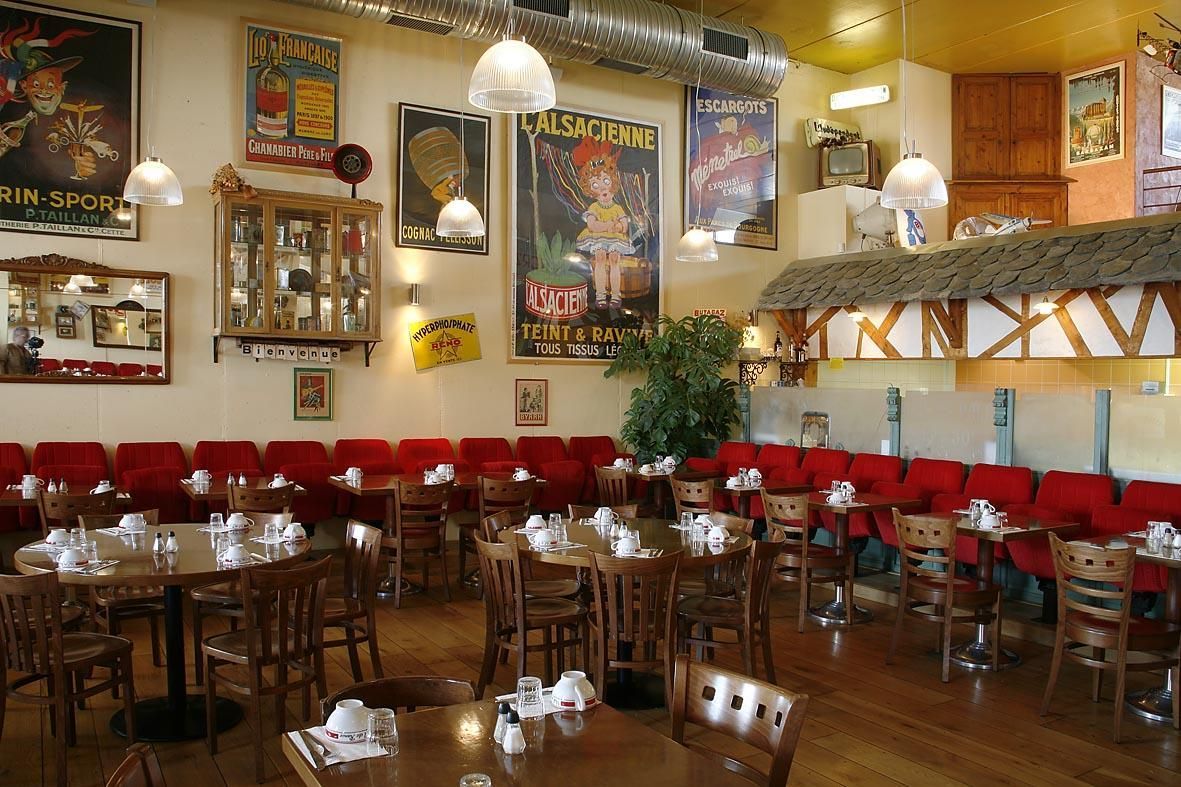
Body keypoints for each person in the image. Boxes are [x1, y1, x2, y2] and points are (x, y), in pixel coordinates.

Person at [572, 136, 633, 310]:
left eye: (605, 181)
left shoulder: (617, 208)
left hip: (614, 239)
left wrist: (619, 227)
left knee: (614, 259)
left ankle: (615, 295)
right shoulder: (594, 206)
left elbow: (624, 225)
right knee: (600, 258)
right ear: (590, 189)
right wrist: (609, 226)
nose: (602, 187)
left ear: (612, 182)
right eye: (595, 184)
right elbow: (592, 225)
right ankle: (600, 294)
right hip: (599, 237)